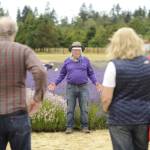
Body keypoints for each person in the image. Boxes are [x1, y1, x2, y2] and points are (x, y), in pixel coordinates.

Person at [0, 16, 47, 150]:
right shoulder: (23, 50)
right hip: (17, 114)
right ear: (14, 32)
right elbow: (41, 72)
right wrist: (37, 98)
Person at [101, 27, 150, 150]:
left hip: (119, 118)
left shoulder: (113, 66)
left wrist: (106, 110)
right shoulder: (148, 63)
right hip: (143, 117)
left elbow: (106, 98)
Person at [48, 41, 101, 134]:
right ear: (71, 51)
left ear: (81, 51)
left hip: (83, 87)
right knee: (70, 108)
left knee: (84, 108)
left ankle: (85, 127)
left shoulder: (86, 60)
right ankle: (69, 127)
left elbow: (91, 73)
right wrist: (55, 83)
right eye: (75, 50)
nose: (76, 52)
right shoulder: (67, 61)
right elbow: (62, 74)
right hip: (70, 88)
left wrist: (96, 83)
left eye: (78, 50)